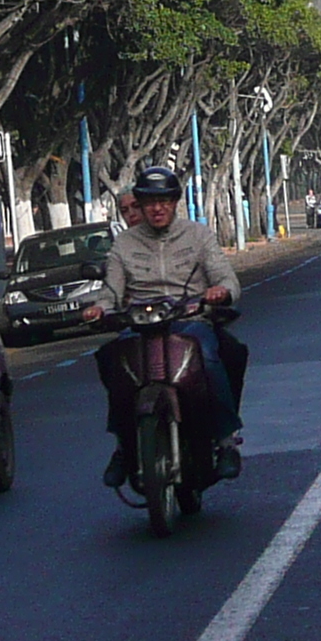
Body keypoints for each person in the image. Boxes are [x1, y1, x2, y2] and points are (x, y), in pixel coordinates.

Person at [84, 165, 246, 484]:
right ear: (140, 206)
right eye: (149, 202)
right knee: (111, 361)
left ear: (175, 202)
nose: (157, 208)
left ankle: (226, 441)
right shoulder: (124, 244)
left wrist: (220, 292)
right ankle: (123, 446)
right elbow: (112, 290)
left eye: (164, 201)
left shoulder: (199, 235)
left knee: (211, 357)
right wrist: (100, 308)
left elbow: (227, 278)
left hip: (189, 322)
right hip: (140, 325)